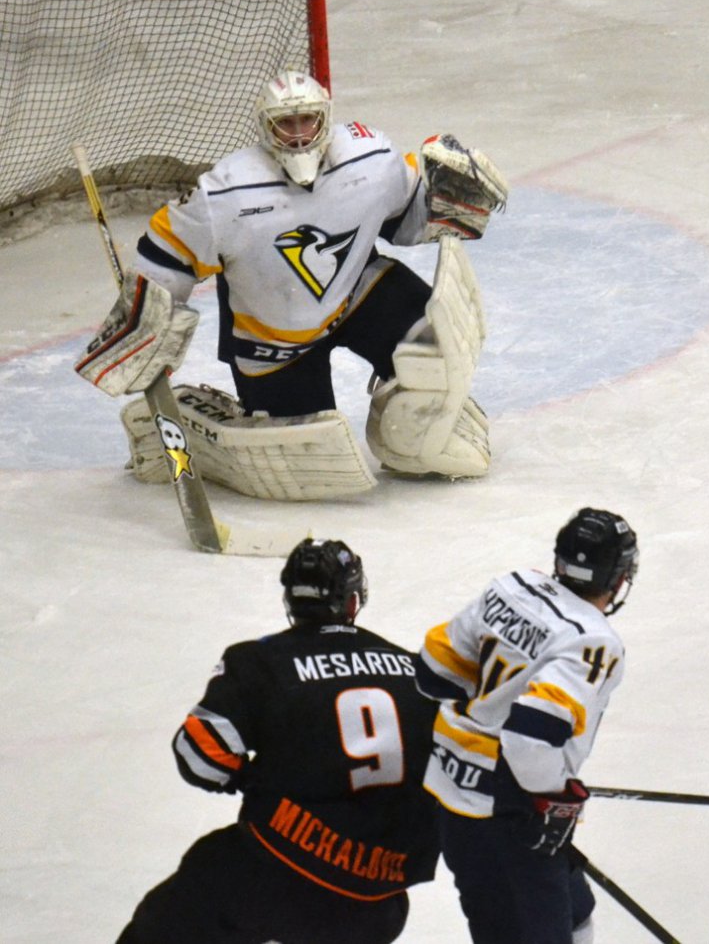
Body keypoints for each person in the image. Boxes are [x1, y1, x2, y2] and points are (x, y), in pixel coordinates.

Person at [76, 68, 507, 500]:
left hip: (358, 295)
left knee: (435, 346)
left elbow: (403, 217)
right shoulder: (225, 193)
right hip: (274, 343)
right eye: (286, 123)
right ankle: (204, 426)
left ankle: (411, 435)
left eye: (308, 121)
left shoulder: (369, 157)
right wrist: (147, 316)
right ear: (266, 128)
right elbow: (167, 253)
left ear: (326, 119)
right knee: (307, 463)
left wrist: (440, 201)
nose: (299, 135)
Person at [116, 537, 440, 944]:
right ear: (352, 601)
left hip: (279, 874)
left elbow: (200, 754)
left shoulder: (259, 661)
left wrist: (254, 780)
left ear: (291, 599)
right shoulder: (413, 669)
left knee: (186, 901)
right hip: (378, 904)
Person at [414, 507, 639, 944]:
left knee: (574, 910)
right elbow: (528, 739)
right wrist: (551, 798)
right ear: (617, 578)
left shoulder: (512, 587)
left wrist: (491, 703)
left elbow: (433, 671)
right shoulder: (592, 640)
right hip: (510, 815)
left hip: (454, 800)